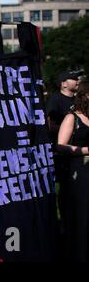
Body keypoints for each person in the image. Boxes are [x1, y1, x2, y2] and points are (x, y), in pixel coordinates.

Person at [57, 80, 89, 262]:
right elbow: (60, 146)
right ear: (86, 96)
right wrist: (85, 150)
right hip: (79, 169)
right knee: (80, 215)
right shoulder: (72, 118)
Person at [47, 70, 81, 234]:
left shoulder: (78, 99)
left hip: (75, 151)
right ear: (64, 83)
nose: (77, 80)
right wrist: (69, 128)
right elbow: (49, 125)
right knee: (64, 188)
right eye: (73, 78)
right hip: (60, 152)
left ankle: (73, 220)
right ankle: (63, 224)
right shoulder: (56, 100)